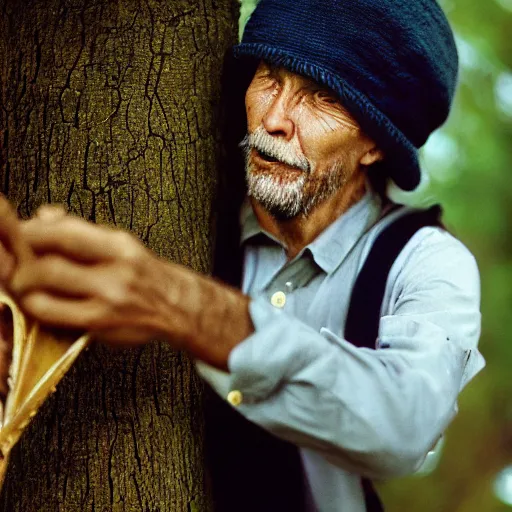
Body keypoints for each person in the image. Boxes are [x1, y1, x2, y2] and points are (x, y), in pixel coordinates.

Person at [0, 0, 485, 510]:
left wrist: (186, 307)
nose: (274, 119)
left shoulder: (426, 261)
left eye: (321, 98)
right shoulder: (189, 204)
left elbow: (406, 425)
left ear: (375, 144)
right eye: (269, 78)